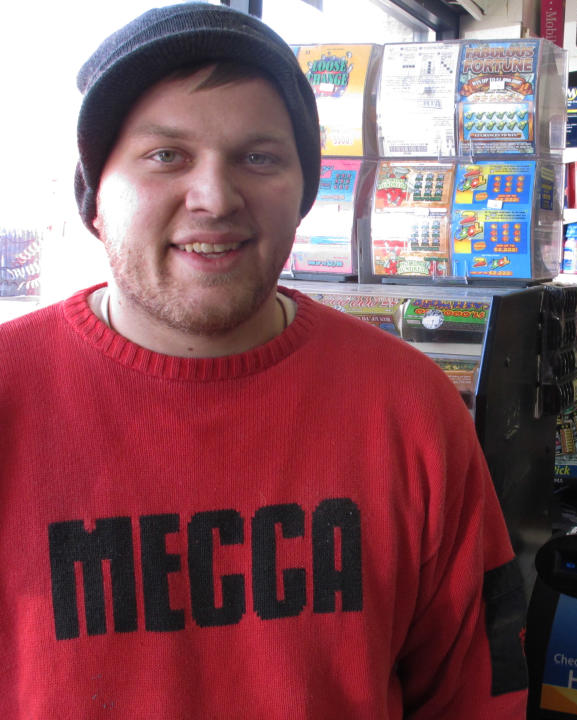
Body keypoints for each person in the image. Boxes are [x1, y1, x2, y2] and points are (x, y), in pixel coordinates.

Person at [0, 4, 528, 717]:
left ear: (305, 191)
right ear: (96, 195)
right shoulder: (12, 396)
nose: (215, 198)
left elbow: (476, 691)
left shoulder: (410, 407)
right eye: (166, 156)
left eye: (259, 157)